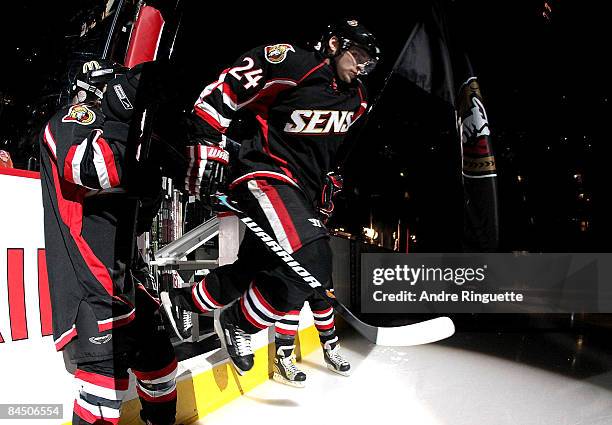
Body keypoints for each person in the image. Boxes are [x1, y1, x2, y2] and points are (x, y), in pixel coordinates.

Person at [168, 19, 380, 380]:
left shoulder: (358, 99)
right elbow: (231, 84)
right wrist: (205, 136)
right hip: (266, 174)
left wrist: (330, 178)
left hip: (303, 191)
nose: (361, 65)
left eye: (367, 61)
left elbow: (327, 148)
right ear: (333, 44)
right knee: (312, 262)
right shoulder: (294, 62)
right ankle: (239, 322)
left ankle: (184, 300)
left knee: (256, 269)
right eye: (356, 54)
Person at [39, 60, 177, 425]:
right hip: (90, 283)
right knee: (103, 392)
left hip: (124, 280)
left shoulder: (116, 131)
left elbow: (139, 206)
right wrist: (121, 111)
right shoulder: (72, 118)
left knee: (161, 364)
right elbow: (89, 169)